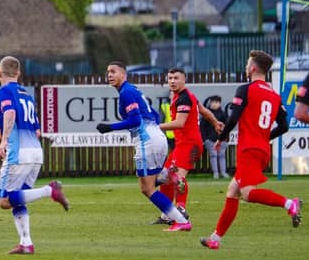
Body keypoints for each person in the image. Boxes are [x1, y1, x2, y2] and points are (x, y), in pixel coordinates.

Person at [200, 50, 301, 250]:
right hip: (262, 149)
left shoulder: (245, 89)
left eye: (248, 64)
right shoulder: (274, 95)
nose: (246, 68)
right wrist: (264, 138)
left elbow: (234, 117)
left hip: (249, 150)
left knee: (247, 193)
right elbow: (284, 126)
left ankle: (290, 204)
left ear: (253, 68)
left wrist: (221, 137)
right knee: (232, 191)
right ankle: (215, 239)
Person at [96, 61, 192, 232]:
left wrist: (109, 127)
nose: (109, 75)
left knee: (147, 188)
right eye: (108, 72)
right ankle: (171, 177)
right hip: (155, 136)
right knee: (150, 181)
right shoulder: (133, 90)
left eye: (113, 72)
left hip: (147, 141)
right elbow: (154, 114)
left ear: (123, 74)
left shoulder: (126, 92)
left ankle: (180, 220)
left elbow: (135, 120)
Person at [0, 56, 69, 255]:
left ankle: (49, 190)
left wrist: (4, 141)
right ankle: (26, 243)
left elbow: (9, 113)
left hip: (19, 151)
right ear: (18, 73)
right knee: (18, 199)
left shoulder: (4, 91)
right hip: (36, 151)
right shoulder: (26, 95)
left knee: (3, 200)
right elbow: (37, 130)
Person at [155, 68, 224, 226]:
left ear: (184, 80)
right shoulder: (186, 96)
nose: (172, 81)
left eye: (176, 78)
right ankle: (167, 215)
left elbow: (179, 123)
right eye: (170, 78)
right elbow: (204, 111)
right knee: (165, 177)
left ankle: (181, 210)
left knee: (178, 178)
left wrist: (156, 127)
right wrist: (215, 123)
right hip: (182, 144)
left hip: (190, 145)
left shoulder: (184, 98)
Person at [200, 95, 230, 179]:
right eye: (212, 102)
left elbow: (228, 126)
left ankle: (223, 172)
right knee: (213, 155)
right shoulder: (207, 115)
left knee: (222, 155)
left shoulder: (223, 114)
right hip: (210, 139)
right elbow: (202, 127)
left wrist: (226, 137)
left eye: (216, 102)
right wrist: (205, 139)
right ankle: (216, 173)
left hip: (222, 139)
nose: (214, 104)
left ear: (220, 104)